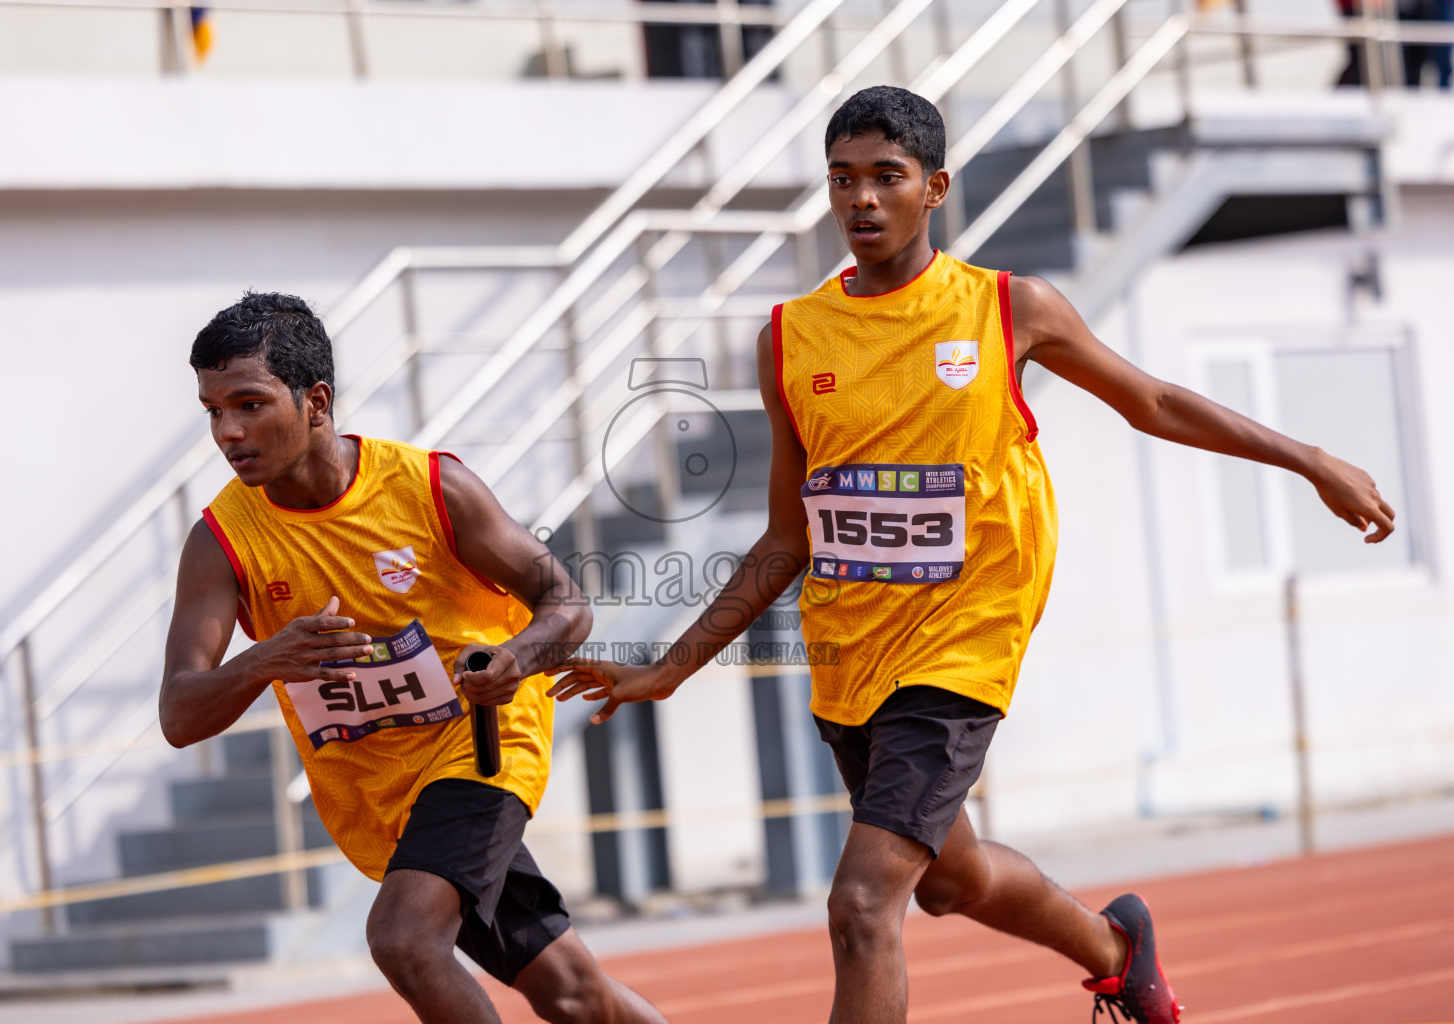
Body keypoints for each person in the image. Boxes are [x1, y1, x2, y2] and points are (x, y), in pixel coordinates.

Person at [549, 86, 1397, 1024]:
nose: (861, 200)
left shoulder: (1008, 308)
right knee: (952, 880)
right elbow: (787, 537)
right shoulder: (789, 339)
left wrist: (1309, 459)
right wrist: (668, 670)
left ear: (935, 187)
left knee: (863, 906)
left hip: (964, 642)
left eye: (886, 177)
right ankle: (1116, 946)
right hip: (851, 652)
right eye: (842, 180)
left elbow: (1150, 402)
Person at [159, 292, 667, 1024]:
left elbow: (567, 604)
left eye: (248, 404)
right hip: (381, 793)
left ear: (316, 401)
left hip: (480, 750)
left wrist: (514, 661)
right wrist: (264, 660)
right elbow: (180, 712)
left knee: (404, 940)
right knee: (573, 994)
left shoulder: (430, 488)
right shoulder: (222, 542)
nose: (228, 432)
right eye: (213, 411)